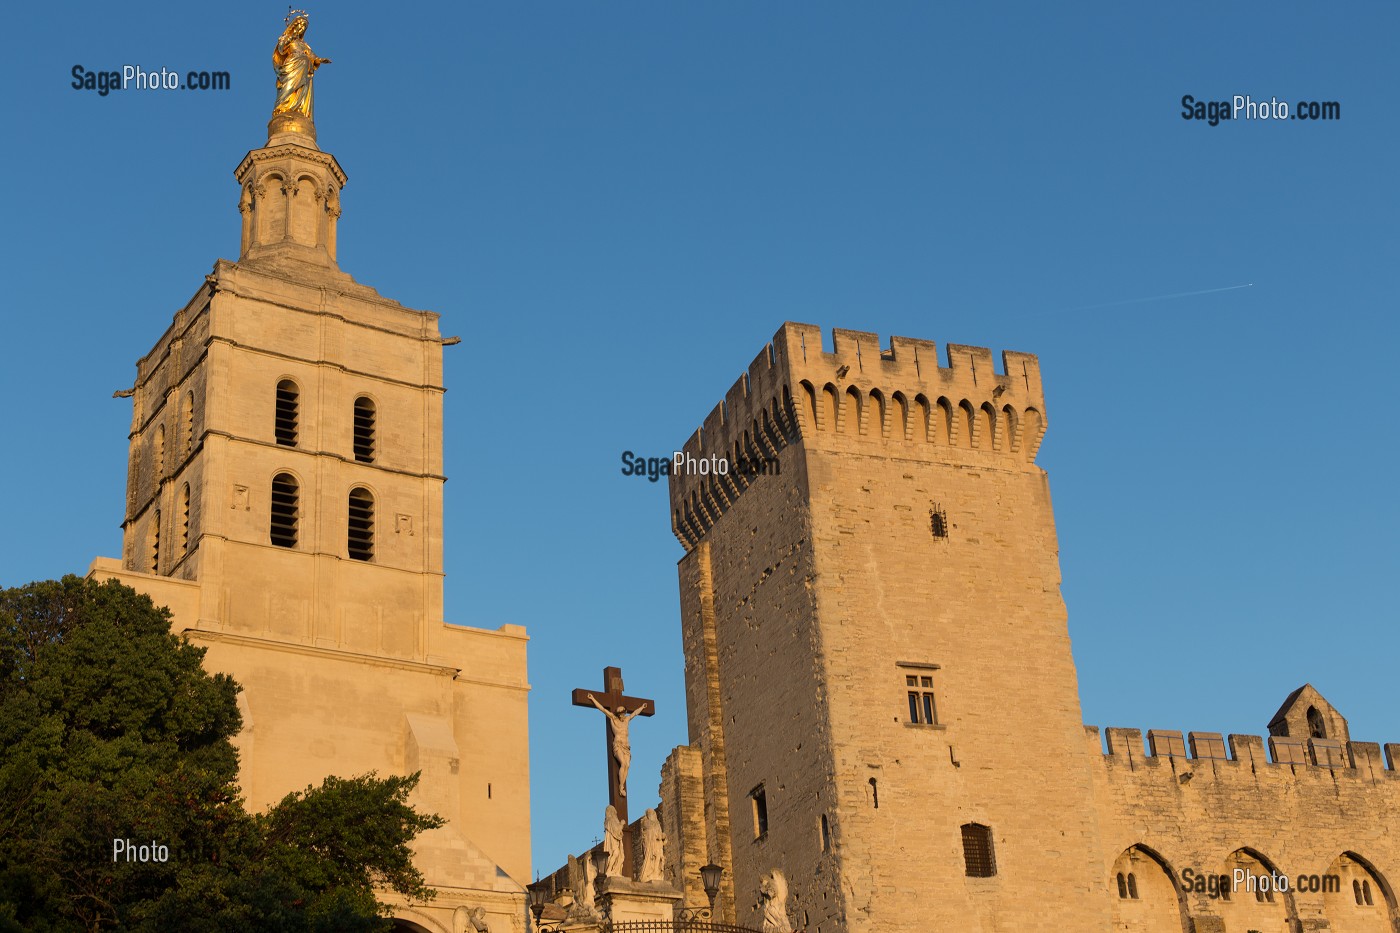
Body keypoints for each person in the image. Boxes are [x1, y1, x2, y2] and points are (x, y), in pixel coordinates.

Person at [587, 693, 648, 796]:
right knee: (623, 764)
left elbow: (634, 714)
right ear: (618, 713)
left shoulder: (627, 720)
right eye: (620, 712)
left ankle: (622, 784)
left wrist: (641, 707)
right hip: (618, 744)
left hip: (626, 746)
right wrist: (593, 699)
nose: (622, 714)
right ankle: (621, 787)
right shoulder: (613, 718)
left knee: (627, 765)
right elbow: (602, 709)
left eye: (623, 712)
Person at [272, 14, 331, 119]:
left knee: (302, 86)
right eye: (301, 26)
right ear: (295, 26)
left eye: (305, 27)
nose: (303, 29)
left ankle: (298, 108)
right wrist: (288, 39)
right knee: (288, 86)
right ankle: (282, 106)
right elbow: (281, 50)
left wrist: (320, 60)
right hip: (292, 65)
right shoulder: (287, 38)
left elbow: (311, 55)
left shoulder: (304, 44)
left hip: (304, 67)